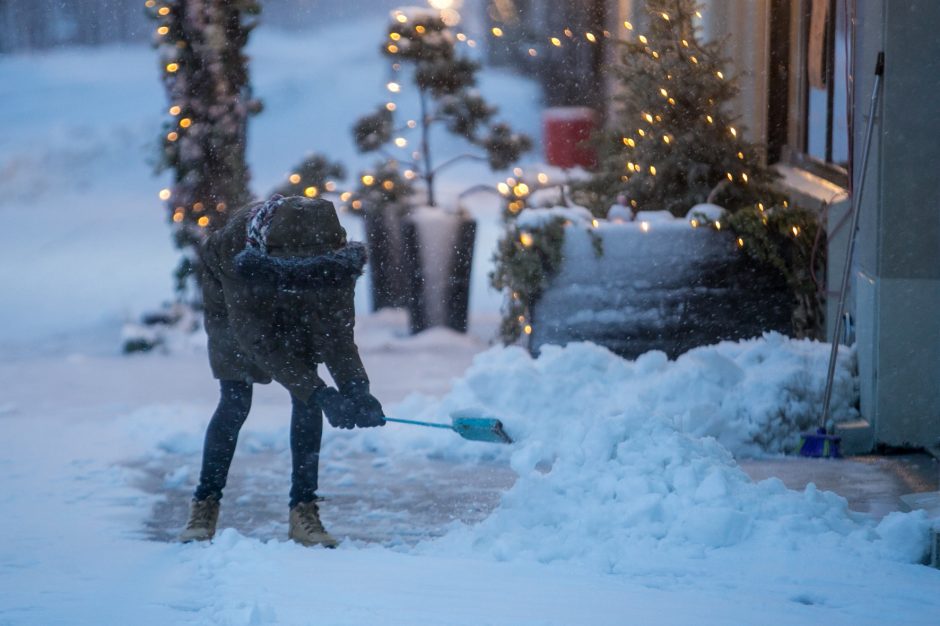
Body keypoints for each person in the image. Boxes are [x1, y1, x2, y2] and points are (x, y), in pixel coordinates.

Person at [179, 194, 385, 547]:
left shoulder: (333, 264)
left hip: (299, 282)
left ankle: (303, 511)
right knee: (236, 398)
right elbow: (256, 341)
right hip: (237, 295)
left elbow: (337, 335)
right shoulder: (236, 253)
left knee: (305, 401)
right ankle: (205, 503)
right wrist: (320, 391)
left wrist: (356, 389)